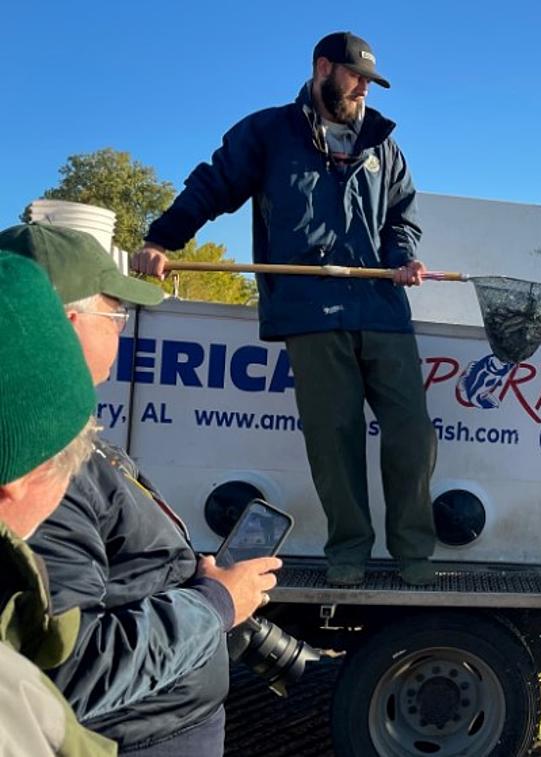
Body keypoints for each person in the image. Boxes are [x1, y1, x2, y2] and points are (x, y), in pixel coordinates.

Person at [131, 30, 438, 587]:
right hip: (309, 311)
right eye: (356, 76)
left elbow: (403, 218)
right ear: (323, 68)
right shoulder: (268, 132)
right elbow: (212, 186)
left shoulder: (385, 145)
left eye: (370, 80)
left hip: (381, 308)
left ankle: (414, 554)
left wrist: (404, 257)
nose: (364, 89)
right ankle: (349, 553)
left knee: (413, 435)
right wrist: (162, 240)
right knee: (333, 439)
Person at [0, 223, 281, 756]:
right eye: (116, 314)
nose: (124, 329)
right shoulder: (39, 465)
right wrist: (218, 602)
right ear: (64, 325)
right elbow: (67, 674)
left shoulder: (74, 445)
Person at [0, 251, 115, 756]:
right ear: (20, 477)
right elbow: (81, 666)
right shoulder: (14, 702)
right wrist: (211, 606)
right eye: (71, 455)